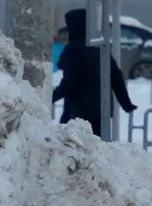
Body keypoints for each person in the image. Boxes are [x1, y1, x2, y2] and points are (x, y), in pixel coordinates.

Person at [53, 8, 133, 137]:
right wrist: (125, 102)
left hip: (79, 110)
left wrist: (50, 97)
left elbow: (70, 80)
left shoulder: (73, 48)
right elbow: (116, 75)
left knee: (70, 145)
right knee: (96, 146)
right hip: (102, 109)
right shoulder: (99, 47)